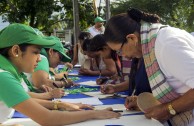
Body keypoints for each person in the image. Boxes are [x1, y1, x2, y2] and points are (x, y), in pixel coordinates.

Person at [0, 23, 120, 125]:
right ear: (16, 51)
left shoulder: (7, 73)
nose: (40, 58)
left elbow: (22, 100)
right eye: (36, 52)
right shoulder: (3, 77)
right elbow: (47, 118)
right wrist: (94, 113)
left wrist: (60, 105)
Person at [104, 8, 194, 126]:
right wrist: (151, 104)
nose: (124, 56)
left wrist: (167, 109)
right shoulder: (152, 43)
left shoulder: (166, 45)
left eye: (120, 51)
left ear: (132, 38)